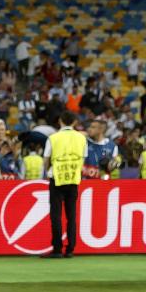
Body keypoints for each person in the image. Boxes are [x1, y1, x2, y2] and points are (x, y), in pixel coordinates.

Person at [42, 111, 87, 259]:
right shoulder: (82, 138)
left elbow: (46, 158)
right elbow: (83, 158)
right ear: (74, 122)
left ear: (60, 121)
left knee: (56, 215)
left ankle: (57, 249)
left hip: (57, 177)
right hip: (73, 179)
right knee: (71, 215)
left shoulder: (53, 138)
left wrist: (48, 171)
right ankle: (70, 249)